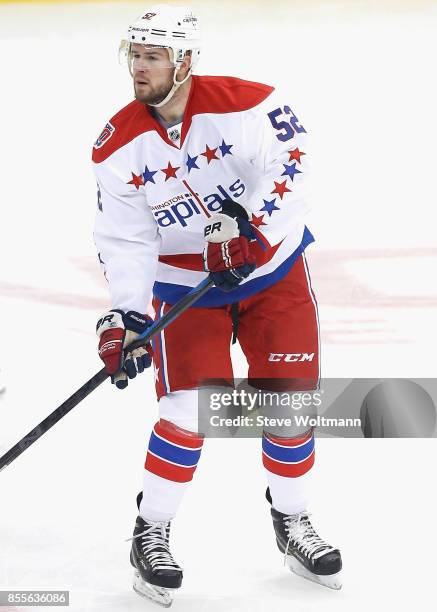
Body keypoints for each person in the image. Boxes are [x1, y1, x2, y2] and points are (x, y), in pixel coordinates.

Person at [93, 4, 342, 606]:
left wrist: (254, 232)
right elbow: (125, 240)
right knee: (187, 410)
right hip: (186, 289)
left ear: (185, 61)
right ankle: (150, 531)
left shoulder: (249, 102)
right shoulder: (118, 145)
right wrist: (128, 317)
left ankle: (293, 520)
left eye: (153, 56)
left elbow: (296, 167)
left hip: (271, 271)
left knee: (289, 404)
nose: (139, 67)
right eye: (136, 54)